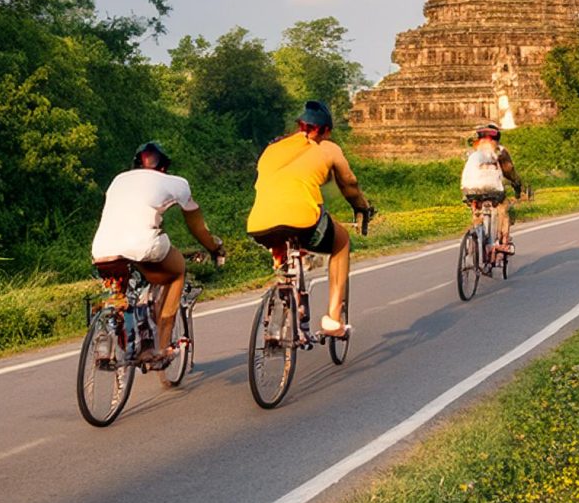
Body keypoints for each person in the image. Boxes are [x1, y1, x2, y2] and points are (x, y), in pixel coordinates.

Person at [89, 141, 226, 363]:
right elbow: (197, 227)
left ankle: (116, 334)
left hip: (103, 248)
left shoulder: (118, 180)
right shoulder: (175, 182)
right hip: (142, 246)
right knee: (177, 272)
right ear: (163, 166)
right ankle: (161, 347)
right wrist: (214, 247)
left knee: (120, 296)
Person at [246, 101, 374, 336]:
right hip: (302, 220)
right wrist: (362, 208)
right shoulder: (328, 148)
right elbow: (350, 185)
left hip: (258, 224)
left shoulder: (272, 149)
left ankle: (288, 289)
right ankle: (333, 320)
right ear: (325, 130)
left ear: (300, 126)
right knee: (341, 240)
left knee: (286, 243)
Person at [460, 122, 523, 256]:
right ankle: (502, 242)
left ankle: (476, 233)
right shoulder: (499, 150)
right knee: (503, 207)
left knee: (477, 210)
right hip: (493, 189)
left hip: (469, 188)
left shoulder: (472, 152)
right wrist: (517, 184)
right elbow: (509, 170)